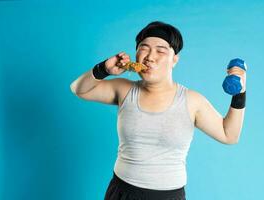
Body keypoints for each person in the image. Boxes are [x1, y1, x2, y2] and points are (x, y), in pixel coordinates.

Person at [70, 21, 246, 200]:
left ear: (174, 60)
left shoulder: (191, 100)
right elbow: (79, 89)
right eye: (144, 48)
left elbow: (229, 135)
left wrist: (240, 94)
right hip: (122, 192)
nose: (150, 57)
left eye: (161, 51)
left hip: (168, 196)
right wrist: (104, 69)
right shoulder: (124, 90)